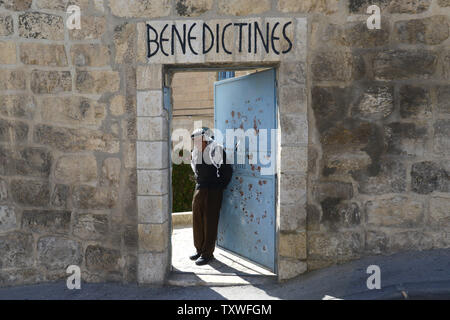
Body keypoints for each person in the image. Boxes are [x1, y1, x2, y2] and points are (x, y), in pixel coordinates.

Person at [189, 127, 232, 265]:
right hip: (200, 188)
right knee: (197, 218)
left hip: (213, 190)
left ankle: (207, 253)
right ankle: (199, 249)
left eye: (198, 139)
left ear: (205, 138)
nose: (196, 142)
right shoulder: (195, 152)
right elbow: (195, 169)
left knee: (210, 220)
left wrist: (220, 187)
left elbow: (227, 170)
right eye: (194, 140)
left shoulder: (216, 149)